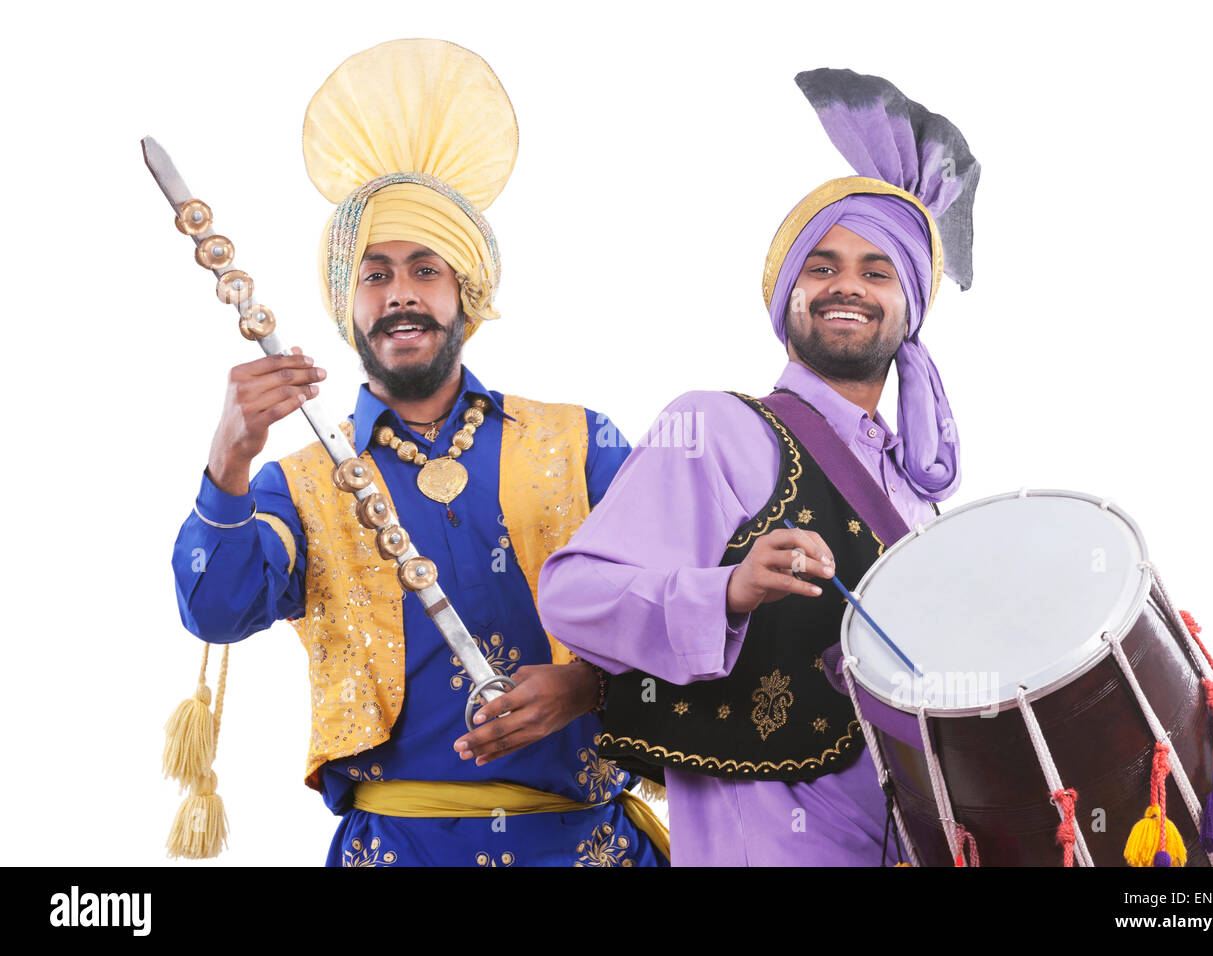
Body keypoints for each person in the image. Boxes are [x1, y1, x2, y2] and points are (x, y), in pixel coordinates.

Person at [172, 39, 667, 867]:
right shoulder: (299, 484)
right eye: (373, 274)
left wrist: (591, 686)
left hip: (589, 847)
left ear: (465, 296)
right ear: (347, 307)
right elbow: (215, 609)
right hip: (396, 849)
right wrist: (228, 456)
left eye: (425, 269)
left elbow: (686, 623)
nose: (400, 291)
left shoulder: (581, 442)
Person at [537, 68, 979, 866]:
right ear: (788, 294)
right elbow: (573, 596)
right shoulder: (713, 427)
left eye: (878, 271)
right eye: (823, 265)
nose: (848, 284)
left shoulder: (918, 490)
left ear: (910, 306)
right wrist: (726, 590)